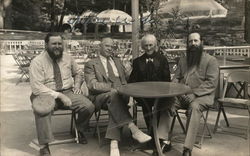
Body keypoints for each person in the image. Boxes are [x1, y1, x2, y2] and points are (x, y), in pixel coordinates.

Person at [29, 32, 95, 156]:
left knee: (89, 106)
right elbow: (37, 88)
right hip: (45, 94)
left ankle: (79, 129)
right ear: (46, 45)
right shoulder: (37, 62)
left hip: (68, 91)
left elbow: (78, 73)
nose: (57, 46)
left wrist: (77, 85)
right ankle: (44, 146)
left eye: (60, 43)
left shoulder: (68, 57)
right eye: (54, 43)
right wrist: (60, 96)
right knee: (42, 110)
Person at [84, 37, 152, 156]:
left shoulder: (118, 61)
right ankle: (131, 128)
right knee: (114, 96)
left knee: (115, 101)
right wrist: (112, 88)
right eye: (107, 46)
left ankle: (115, 142)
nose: (110, 49)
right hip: (101, 97)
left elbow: (129, 78)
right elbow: (92, 85)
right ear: (100, 47)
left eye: (112, 46)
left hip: (121, 95)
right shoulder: (91, 63)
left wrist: (133, 69)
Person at [172, 32, 219, 156]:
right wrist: (177, 92)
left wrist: (194, 94)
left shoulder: (211, 60)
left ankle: (187, 148)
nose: (193, 44)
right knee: (166, 103)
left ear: (201, 42)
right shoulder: (183, 59)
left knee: (194, 107)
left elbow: (211, 83)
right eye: (190, 41)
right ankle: (161, 140)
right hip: (182, 95)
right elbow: (176, 78)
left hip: (202, 97)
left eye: (195, 41)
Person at [128, 34, 175, 153]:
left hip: (160, 94)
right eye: (146, 45)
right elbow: (132, 81)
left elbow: (167, 80)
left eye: (151, 45)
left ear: (155, 45)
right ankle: (154, 136)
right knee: (146, 105)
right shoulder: (137, 62)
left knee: (160, 105)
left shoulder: (162, 60)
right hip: (143, 96)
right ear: (142, 47)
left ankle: (155, 136)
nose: (148, 48)